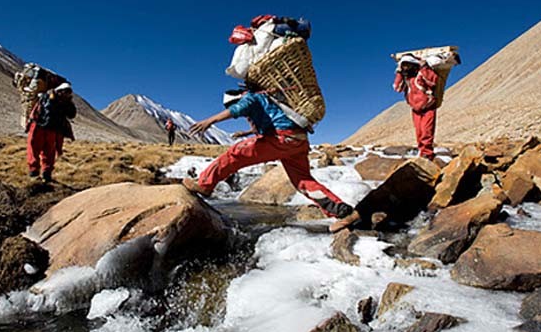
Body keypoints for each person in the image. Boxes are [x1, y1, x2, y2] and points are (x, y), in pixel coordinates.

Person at [182, 89, 353, 218]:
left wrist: (210, 120)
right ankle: (339, 209)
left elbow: (239, 109)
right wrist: (246, 133)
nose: (232, 109)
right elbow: (272, 120)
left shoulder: (250, 97)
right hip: (298, 141)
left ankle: (205, 185)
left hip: (281, 139)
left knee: (235, 153)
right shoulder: (266, 99)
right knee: (303, 180)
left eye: (230, 105)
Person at [26, 82, 76, 183]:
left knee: (36, 149)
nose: (66, 94)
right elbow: (71, 115)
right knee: (47, 151)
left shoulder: (46, 97)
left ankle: (36, 171)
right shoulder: (64, 102)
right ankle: (44, 172)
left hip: (41, 127)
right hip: (50, 129)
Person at [393, 54, 439, 161]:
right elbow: (397, 87)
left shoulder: (421, 73)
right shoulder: (406, 79)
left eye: (407, 65)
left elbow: (433, 81)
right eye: (403, 66)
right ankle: (422, 152)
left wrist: (424, 67)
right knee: (419, 132)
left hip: (428, 108)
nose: (405, 68)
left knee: (426, 131)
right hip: (415, 109)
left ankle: (427, 154)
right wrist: (399, 73)